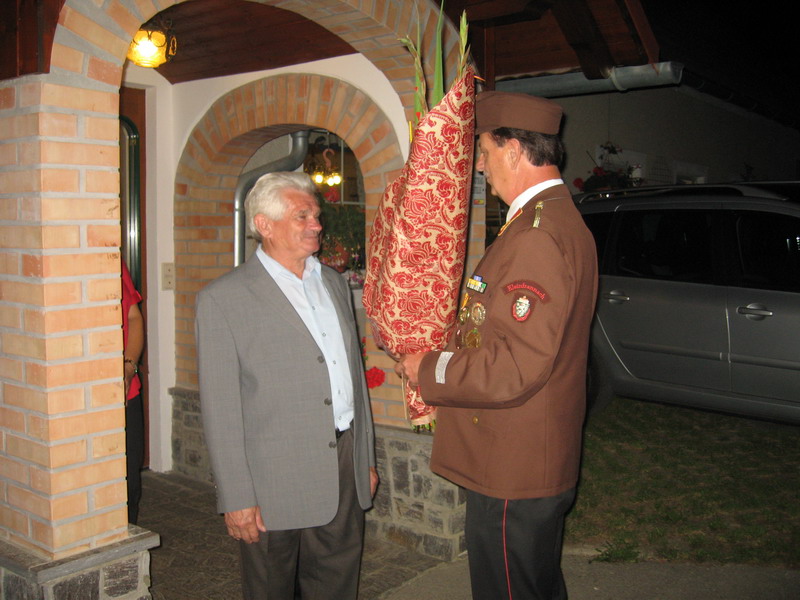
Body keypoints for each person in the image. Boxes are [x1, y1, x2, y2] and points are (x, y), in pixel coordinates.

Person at [395, 91, 598, 600]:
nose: (481, 166)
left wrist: (428, 369)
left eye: (484, 151)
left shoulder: (536, 234)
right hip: (526, 452)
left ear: (513, 149)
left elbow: (514, 366)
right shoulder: (552, 220)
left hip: (512, 461)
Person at [195, 171, 379, 599]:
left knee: (336, 582)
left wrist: (364, 460)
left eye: (316, 215)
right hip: (271, 477)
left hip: (343, 461)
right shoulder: (223, 299)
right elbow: (220, 410)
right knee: (270, 588)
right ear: (265, 224)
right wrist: (236, 497)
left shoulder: (332, 282)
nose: (316, 224)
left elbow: (353, 377)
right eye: (302, 216)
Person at [121, 259, 145, 524]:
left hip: (127, 393)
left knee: (129, 483)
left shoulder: (112, 259)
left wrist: (129, 367)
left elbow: (134, 316)